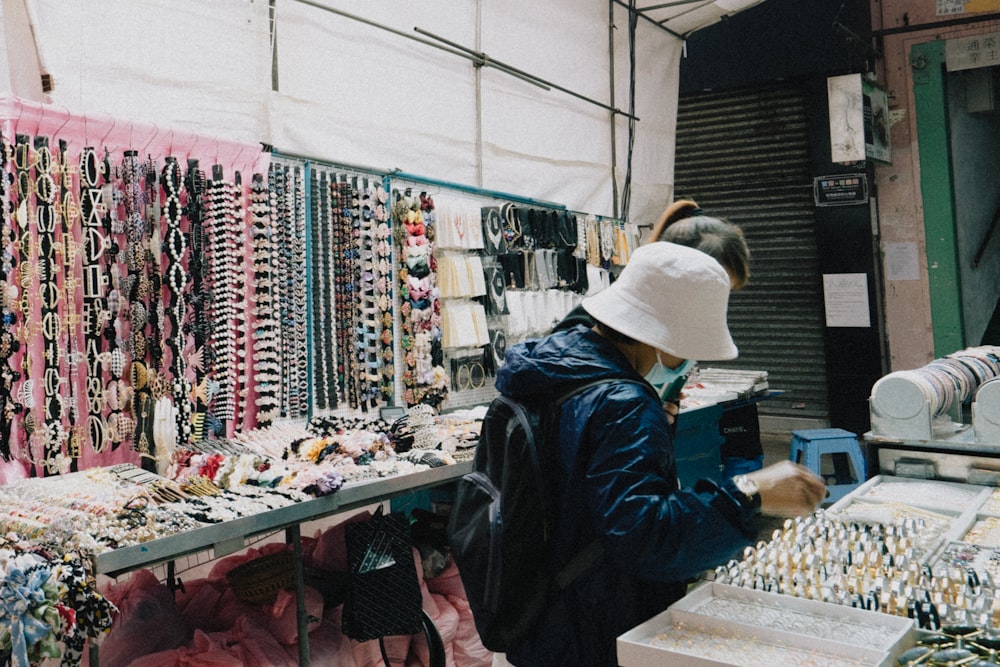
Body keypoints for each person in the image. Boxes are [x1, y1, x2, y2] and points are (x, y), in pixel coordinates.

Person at [495, 242, 826, 667]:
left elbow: (575, 483)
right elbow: (645, 536)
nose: (687, 363)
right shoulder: (623, 402)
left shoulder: (551, 370)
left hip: (540, 614)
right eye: (686, 348)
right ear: (657, 336)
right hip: (594, 627)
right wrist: (749, 493)